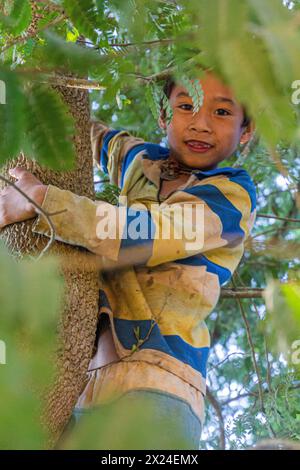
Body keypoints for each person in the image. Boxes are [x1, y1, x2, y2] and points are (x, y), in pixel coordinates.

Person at [0, 70, 257, 449]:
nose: (201, 124)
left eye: (221, 113)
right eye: (186, 106)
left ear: (246, 131)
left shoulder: (232, 195)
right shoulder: (142, 162)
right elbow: (80, 128)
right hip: (79, 383)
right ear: (163, 118)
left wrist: (44, 202)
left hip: (156, 388)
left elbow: (146, 235)